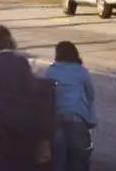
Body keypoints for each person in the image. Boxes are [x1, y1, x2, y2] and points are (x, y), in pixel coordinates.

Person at [0, 25, 42, 171]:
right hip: (24, 120)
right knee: (25, 161)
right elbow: (33, 89)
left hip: (3, 122)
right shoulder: (21, 62)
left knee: (7, 161)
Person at [45, 41, 96, 171]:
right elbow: (91, 95)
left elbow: (46, 94)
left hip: (56, 116)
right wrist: (92, 119)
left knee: (58, 157)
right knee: (79, 158)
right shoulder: (81, 71)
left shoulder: (51, 70)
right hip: (76, 116)